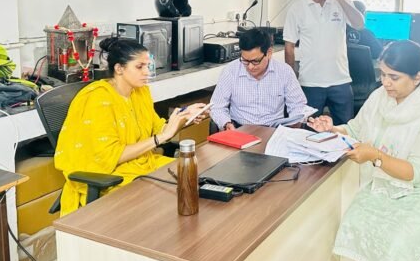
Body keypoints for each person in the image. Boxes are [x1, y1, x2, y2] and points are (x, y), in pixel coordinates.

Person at [308, 40, 420, 261]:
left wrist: (375, 156)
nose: (385, 82)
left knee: (398, 241)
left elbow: (414, 173)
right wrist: (333, 129)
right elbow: (355, 130)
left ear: (417, 77)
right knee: (352, 220)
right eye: (382, 74)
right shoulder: (379, 97)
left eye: (394, 77)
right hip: (386, 178)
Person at [55, 37, 206, 216]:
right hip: (112, 174)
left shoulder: (140, 92)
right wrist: (161, 137)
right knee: (170, 200)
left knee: (194, 178)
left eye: (148, 66)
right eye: (139, 67)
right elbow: (112, 156)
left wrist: (184, 118)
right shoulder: (98, 100)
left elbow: (158, 129)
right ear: (119, 68)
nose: (147, 72)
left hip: (142, 164)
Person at [283, 0, 365, 125]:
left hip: (340, 81)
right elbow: (289, 46)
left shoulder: (341, 2)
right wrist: (292, 80)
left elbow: (359, 24)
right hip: (310, 82)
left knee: (345, 129)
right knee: (308, 130)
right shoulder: (297, 9)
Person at [210, 28, 307, 130]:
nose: (250, 67)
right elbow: (217, 106)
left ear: (269, 53)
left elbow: (298, 104)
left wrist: (294, 124)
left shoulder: (284, 72)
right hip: (240, 129)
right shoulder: (230, 71)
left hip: (273, 130)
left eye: (255, 61)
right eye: (245, 61)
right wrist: (226, 123)